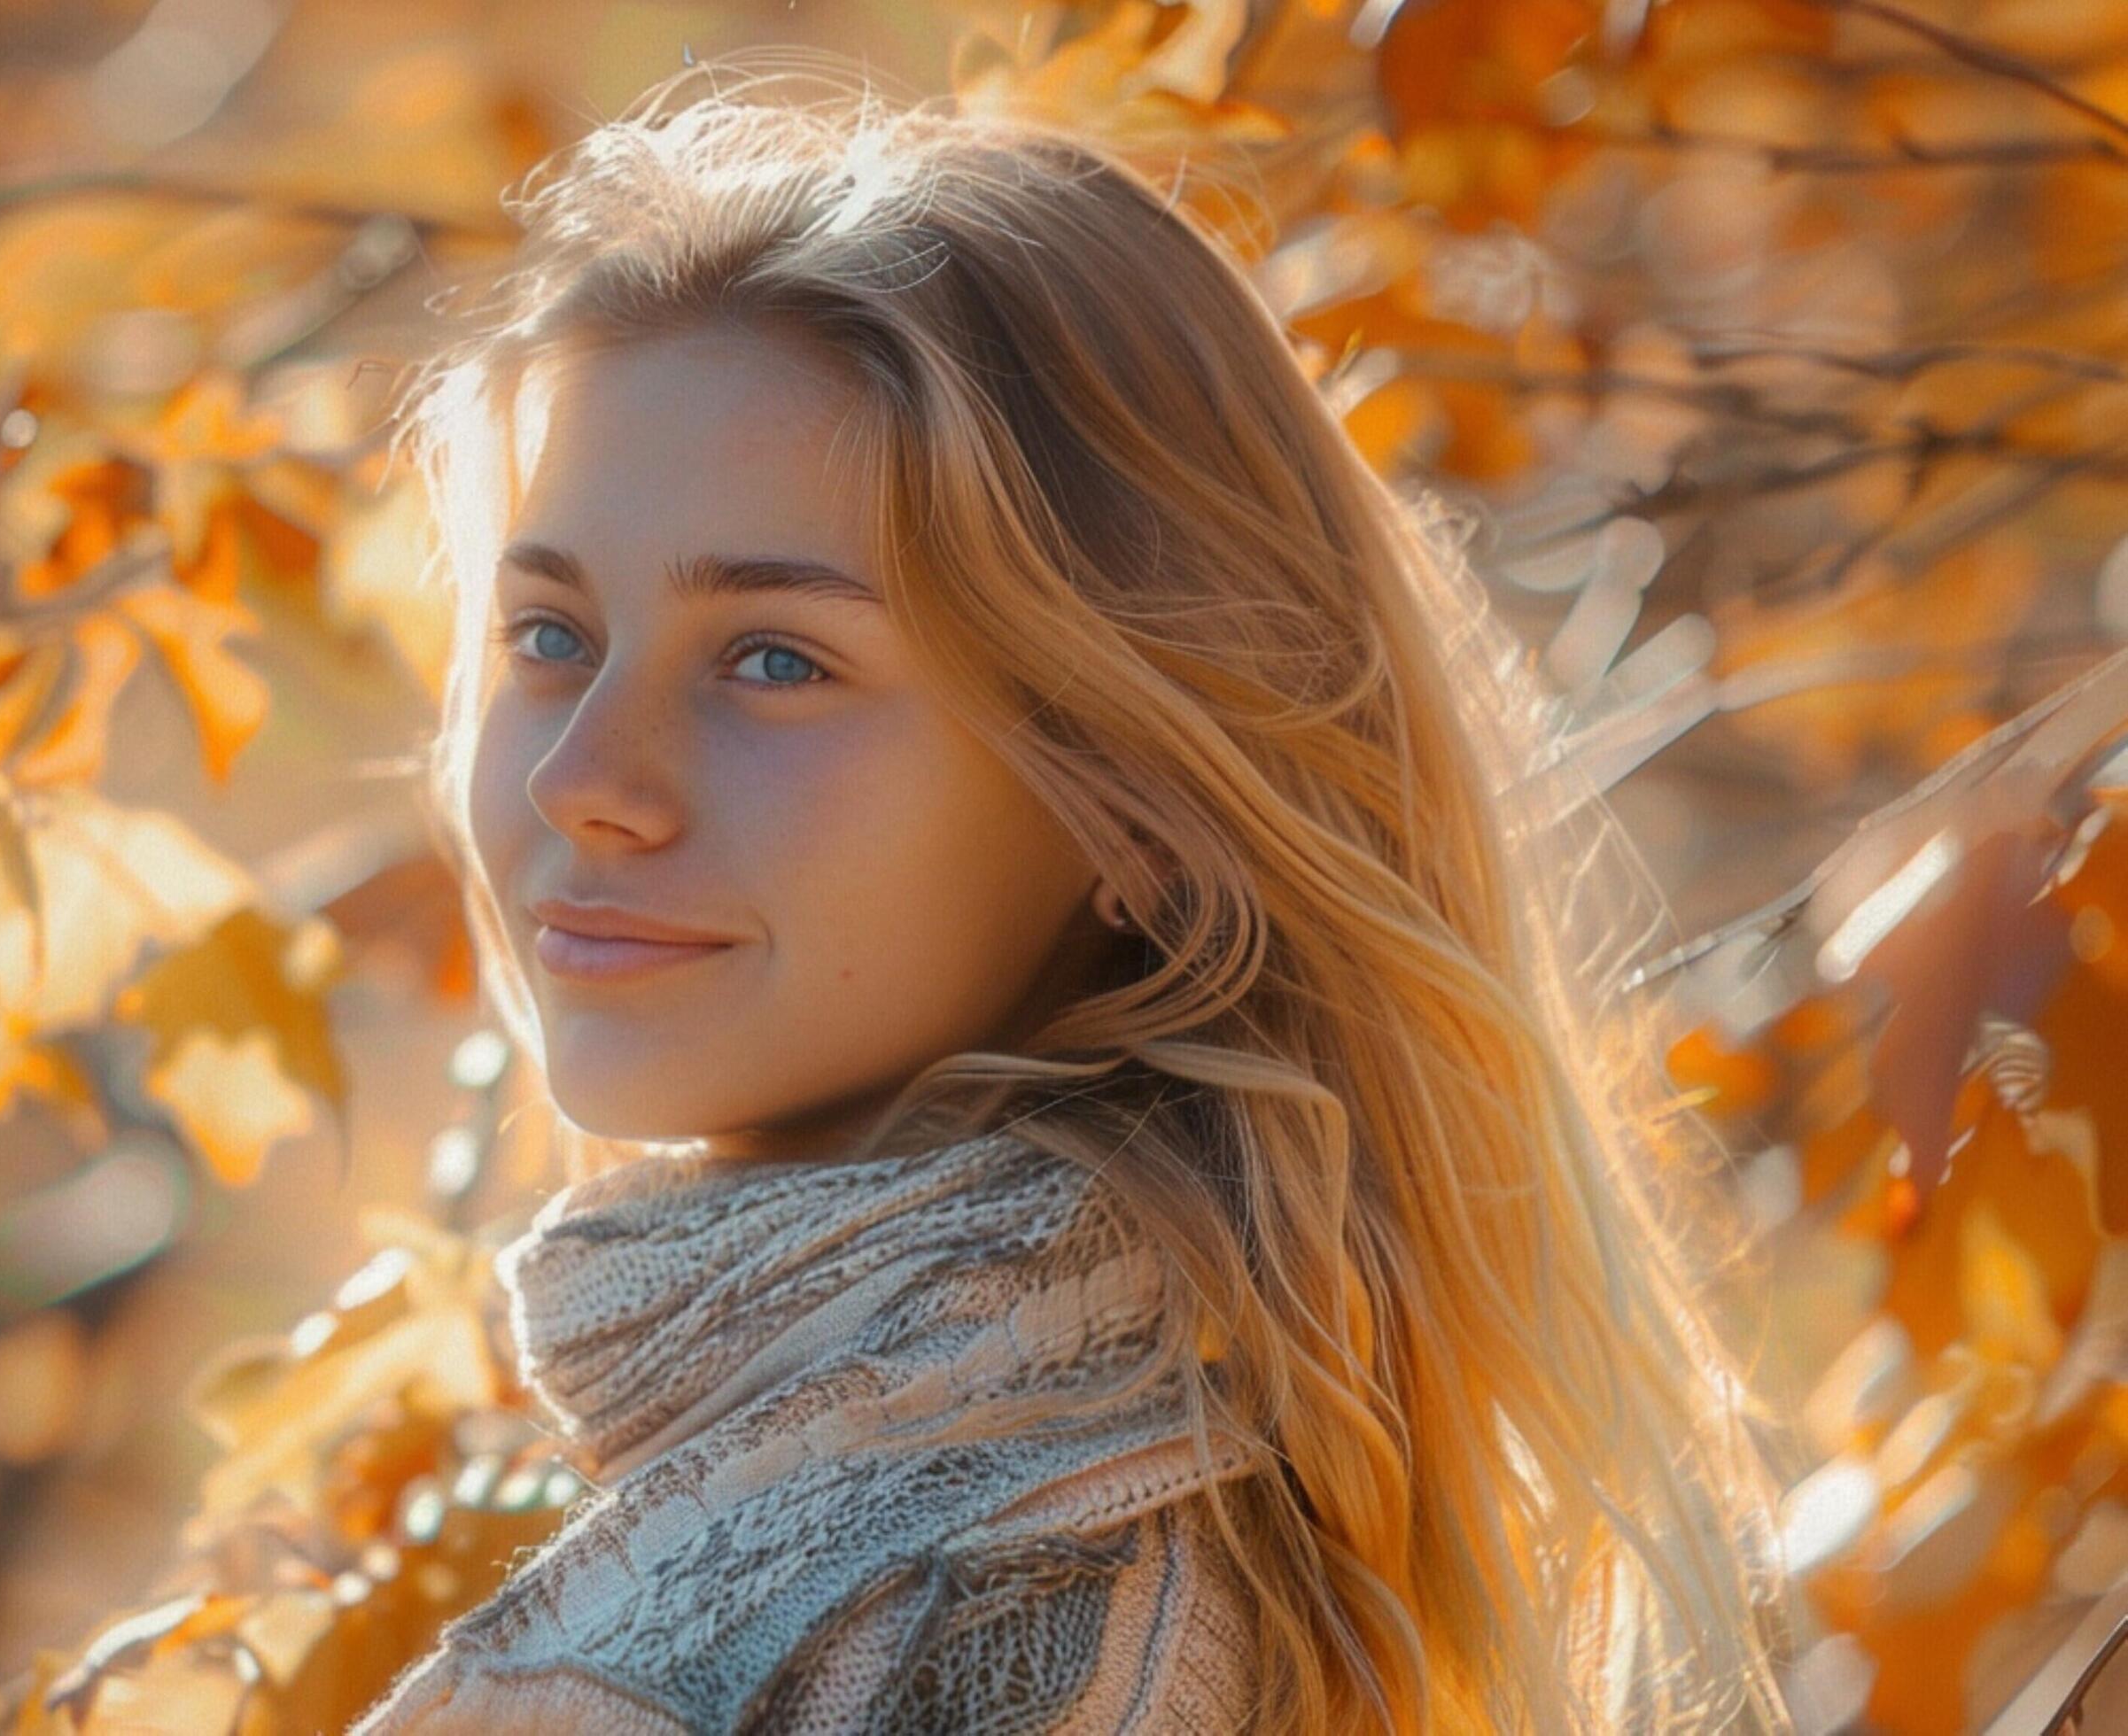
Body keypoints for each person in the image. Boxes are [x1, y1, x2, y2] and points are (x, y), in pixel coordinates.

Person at [346, 51, 1798, 1736]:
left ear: (1137, 802)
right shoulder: (811, 1510)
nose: (580, 779)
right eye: (547, 636)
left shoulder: (1024, 1625)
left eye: (773, 657)